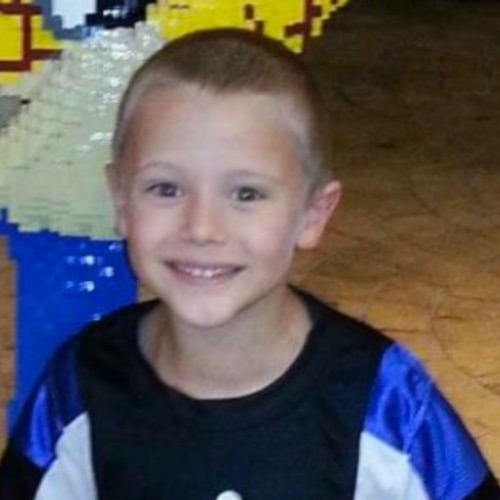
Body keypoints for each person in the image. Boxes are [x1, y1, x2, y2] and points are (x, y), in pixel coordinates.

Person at [0, 28, 498, 500]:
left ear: (312, 214)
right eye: (166, 188)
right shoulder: (81, 388)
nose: (201, 228)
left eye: (246, 193)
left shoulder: (386, 404)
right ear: (121, 201)